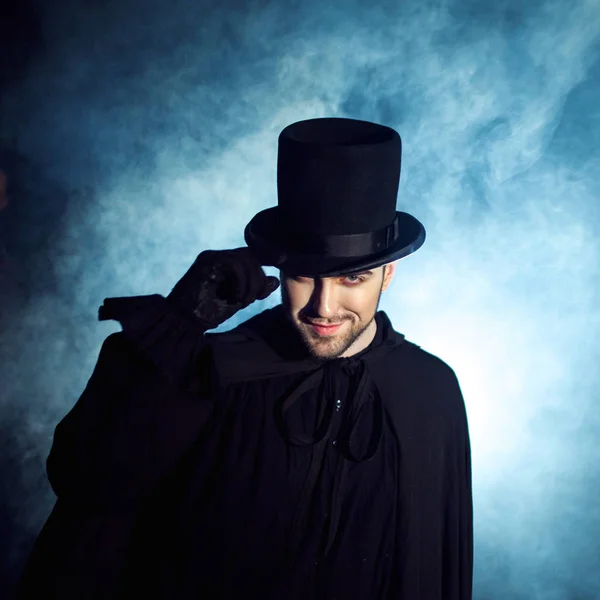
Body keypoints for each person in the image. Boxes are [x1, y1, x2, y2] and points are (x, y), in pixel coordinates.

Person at [17, 117, 473, 599]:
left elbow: (436, 569)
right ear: (279, 268)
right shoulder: (214, 375)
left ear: (388, 273)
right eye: (304, 276)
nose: (323, 306)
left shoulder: (429, 392)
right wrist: (179, 324)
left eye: (351, 279)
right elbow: (89, 485)